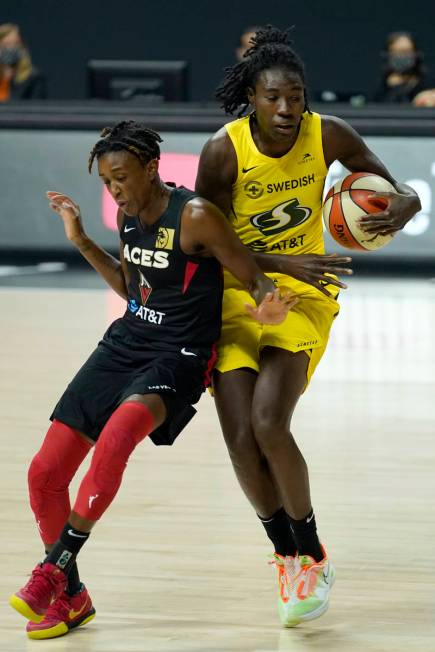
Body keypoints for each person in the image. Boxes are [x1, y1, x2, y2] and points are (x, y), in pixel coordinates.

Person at [8, 120, 295, 640]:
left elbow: (253, 276)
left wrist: (268, 305)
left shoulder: (196, 217)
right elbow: (132, 289)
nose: (115, 189)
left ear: (151, 167)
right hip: (124, 345)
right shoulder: (126, 216)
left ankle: (54, 567)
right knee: (43, 474)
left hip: (180, 357)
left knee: (116, 437)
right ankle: (72, 597)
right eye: (106, 182)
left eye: (122, 177)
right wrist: (80, 240)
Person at [195, 25, 421, 627]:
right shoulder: (224, 150)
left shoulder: (329, 133)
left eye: (295, 95)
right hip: (237, 294)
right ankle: (285, 554)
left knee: (270, 421)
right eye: (273, 97)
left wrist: (403, 205)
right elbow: (201, 242)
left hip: (304, 293)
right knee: (240, 436)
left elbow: (398, 192)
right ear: (251, 95)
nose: (287, 108)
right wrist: (272, 263)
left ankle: (313, 552)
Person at [373, 31, 430, 103]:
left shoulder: (428, 84)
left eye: (406, 51)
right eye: (397, 52)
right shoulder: (381, 87)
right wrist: (395, 88)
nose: (402, 56)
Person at [0, 23, 46, 101]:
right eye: (6, 44)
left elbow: (34, 110)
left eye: (15, 44)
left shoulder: (34, 80)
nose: (10, 49)